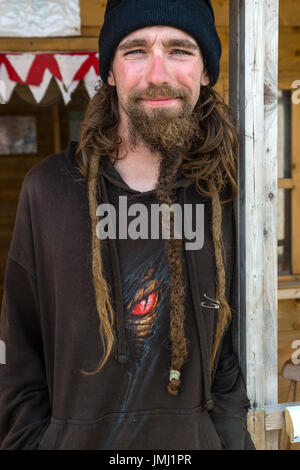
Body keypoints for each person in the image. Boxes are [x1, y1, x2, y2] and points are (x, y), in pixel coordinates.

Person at [0, 0, 255, 450]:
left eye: (180, 50)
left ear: (207, 72)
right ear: (111, 72)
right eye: (136, 50)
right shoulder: (48, 191)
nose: (158, 74)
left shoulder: (227, 195)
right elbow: (19, 352)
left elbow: (230, 355)